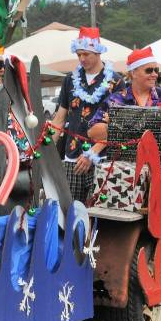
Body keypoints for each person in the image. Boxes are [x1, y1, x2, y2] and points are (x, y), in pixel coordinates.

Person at [48, 27, 119, 202]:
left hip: (102, 157)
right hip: (71, 156)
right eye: (79, 54)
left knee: (96, 213)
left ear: (98, 52)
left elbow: (117, 125)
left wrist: (92, 153)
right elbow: (59, 118)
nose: (81, 59)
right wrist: (48, 150)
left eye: (86, 54)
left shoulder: (115, 81)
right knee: (68, 210)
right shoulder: (70, 80)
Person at [85, 47, 161, 158]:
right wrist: (117, 126)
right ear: (133, 73)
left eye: (156, 70)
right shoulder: (115, 100)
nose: (155, 74)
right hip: (124, 166)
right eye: (149, 70)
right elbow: (92, 133)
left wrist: (119, 124)